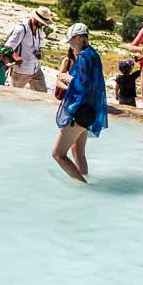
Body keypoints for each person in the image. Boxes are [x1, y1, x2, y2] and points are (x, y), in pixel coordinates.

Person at [52, 24, 107, 182]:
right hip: (90, 110)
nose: (70, 45)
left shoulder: (83, 56)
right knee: (78, 151)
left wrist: (67, 78)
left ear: (78, 38)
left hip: (80, 111)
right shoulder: (93, 54)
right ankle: (85, 178)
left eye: (70, 41)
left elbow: (83, 86)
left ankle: (84, 187)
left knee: (58, 154)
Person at [5, 8, 52, 92]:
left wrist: (38, 53)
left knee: (42, 95)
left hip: (36, 69)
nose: (43, 25)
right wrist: (15, 57)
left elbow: (37, 47)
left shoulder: (39, 31)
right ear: (35, 19)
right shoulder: (21, 29)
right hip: (21, 71)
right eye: (42, 22)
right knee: (13, 96)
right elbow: (7, 48)